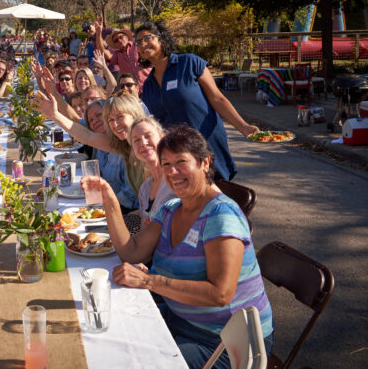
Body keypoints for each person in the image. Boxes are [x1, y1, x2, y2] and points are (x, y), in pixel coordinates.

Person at [83, 126, 273, 369]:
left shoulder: (221, 214)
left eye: (181, 161)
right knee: (110, 333)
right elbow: (132, 252)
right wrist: (109, 200)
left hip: (225, 342)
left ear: (204, 162)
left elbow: (220, 293)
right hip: (180, 320)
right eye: (166, 164)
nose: (172, 172)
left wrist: (149, 281)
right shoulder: (171, 208)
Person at [136, 21, 259, 180]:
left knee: (216, 189)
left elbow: (217, 98)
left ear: (161, 39)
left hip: (206, 141)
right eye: (138, 42)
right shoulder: (148, 86)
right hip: (177, 154)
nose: (142, 44)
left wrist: (244, 127)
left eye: (147, 38)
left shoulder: (189, 63)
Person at [36, 90, 147, 197]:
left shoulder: (148, 143)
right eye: (111, 120)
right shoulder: (121, 144)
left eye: (120, 117)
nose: (115, 124)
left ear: (134, 114)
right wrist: (54, 115)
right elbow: (87, 137)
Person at [83, 99, 139, 212]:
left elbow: (129, 197)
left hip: (125, 211)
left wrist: (102, 209)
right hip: (106, 203)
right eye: (90, 120)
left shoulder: (129, 145)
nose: (95, 121)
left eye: (99, 115)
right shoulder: (100, 146)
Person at [126, 116, 176, 226]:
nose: (143, 143)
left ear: (162, 138)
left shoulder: (177, 177)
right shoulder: (145, 189)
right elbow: (145, 229)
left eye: (148, 136)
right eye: (136, 140)